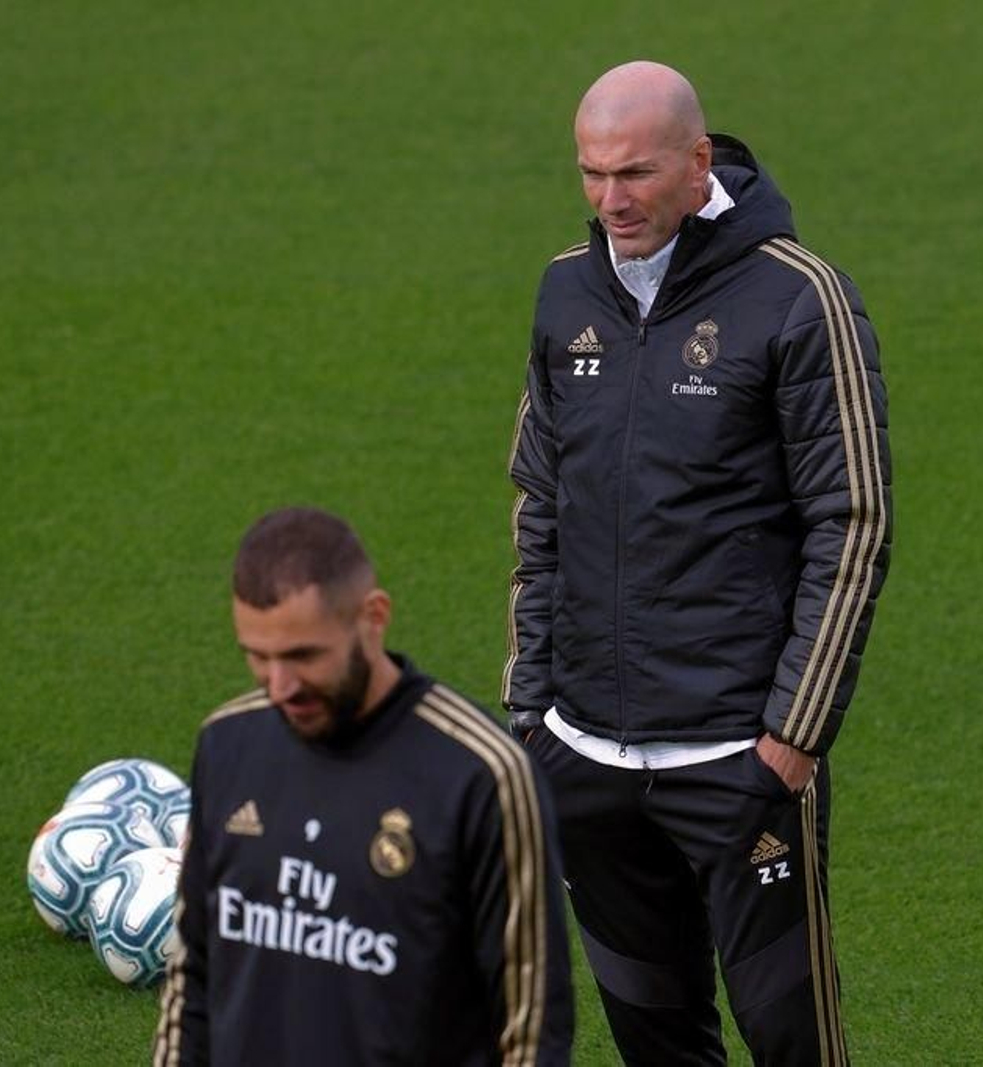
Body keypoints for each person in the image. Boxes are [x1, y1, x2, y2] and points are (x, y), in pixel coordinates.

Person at [503, 60, 891, 1065]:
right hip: (586, 753)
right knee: (652, 1035)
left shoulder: (801, 299)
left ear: (697, 162)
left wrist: (791, 737)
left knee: (789, 1036)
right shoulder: (563, 293)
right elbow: (540, 504)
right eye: (590, 173)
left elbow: (851, 522)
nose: (608, 198)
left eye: (632, 173)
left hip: (734, 758)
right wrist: (533, 712)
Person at [154, 507, 572, 1066]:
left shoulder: (482, 775)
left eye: (304, 656)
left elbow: (531, 1026)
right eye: (257, 657)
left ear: (372, 617)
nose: (279, 686)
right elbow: (194, 972)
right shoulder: (228, 744)